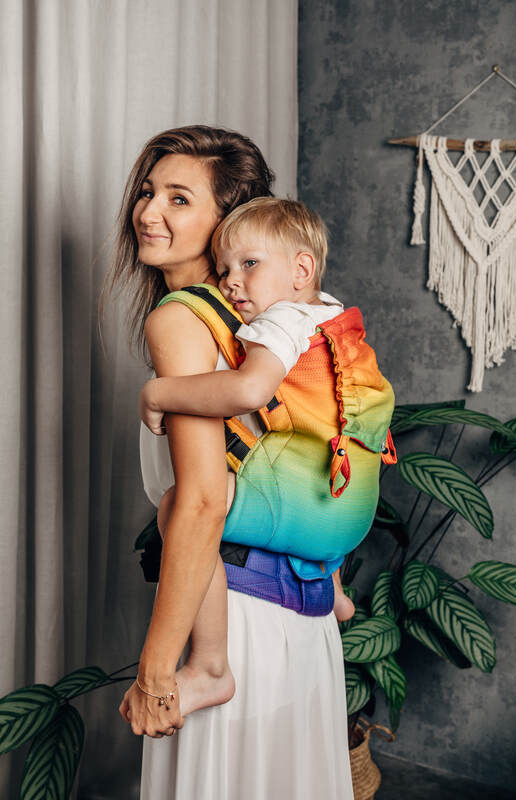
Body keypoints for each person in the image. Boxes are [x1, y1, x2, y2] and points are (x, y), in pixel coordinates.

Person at [113, 125, 354, 800]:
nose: (148, 212)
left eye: (179, 199)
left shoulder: (181, 320)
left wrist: (160, 668)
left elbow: (202, 499)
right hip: (304, 615)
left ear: (228, 219)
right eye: (147, 192)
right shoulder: (280, 318)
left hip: (235, 615)